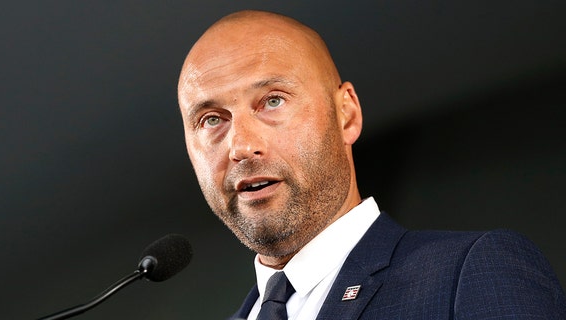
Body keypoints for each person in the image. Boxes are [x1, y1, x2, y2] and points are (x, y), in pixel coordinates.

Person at [177, 10, 566, 320]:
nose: (242, 146)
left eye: (273, 101)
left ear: (346, 115)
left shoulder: (471, 273)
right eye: (211, 120)